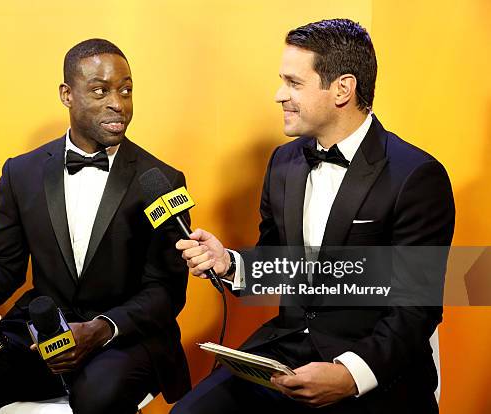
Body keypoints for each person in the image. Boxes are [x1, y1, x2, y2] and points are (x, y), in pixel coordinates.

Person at [172, 19, 454, 414]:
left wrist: (347, 375)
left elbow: (415, 310)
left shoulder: (417, 176)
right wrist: (230, 264)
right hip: (285, 354)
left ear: (343, 88)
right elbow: (279, 261)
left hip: (373, 366)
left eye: (293, 83)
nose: (278, 95)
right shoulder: (283, 162)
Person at [0, 38, 191, 414]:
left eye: (126, 90)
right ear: (67, 94)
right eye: (100, 91)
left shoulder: (160, 180)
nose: (119, 103)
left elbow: (166, 291)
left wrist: (100, 328)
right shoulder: (21, 172)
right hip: (39, 334)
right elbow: (4, 266)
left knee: (97, 398)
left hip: (122, 339)